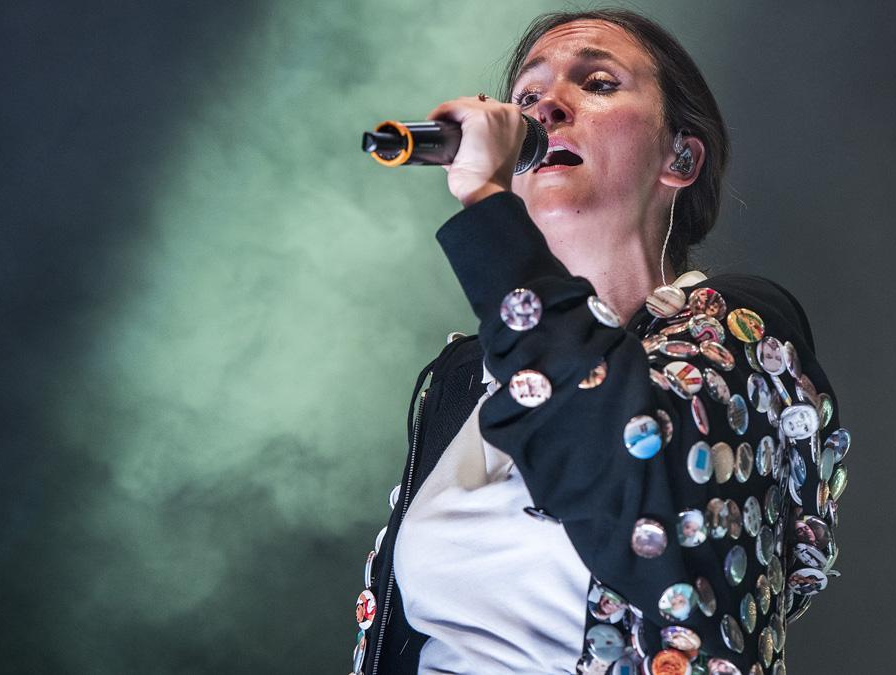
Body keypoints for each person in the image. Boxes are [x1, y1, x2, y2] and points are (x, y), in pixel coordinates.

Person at [348, 8, 850, 675]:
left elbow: (628, 480)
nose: (546, 107)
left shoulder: (746, 331)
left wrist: (486, 209)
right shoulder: (466, 377)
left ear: (680, 157)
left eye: (598, 83)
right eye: (525, 97)